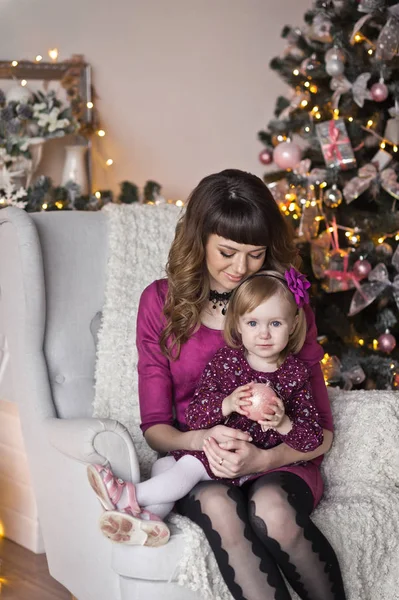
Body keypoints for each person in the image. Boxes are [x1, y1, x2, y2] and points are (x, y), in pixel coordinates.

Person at [88, 169, 346, 599]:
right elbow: (156, 427)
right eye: (227, 252)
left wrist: (262, 461)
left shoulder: (285, 304)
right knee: (220, 506)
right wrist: (204, 439)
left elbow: (321, 432)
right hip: (201, 457)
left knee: (275, 512)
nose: (241, 269)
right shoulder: (160, 303)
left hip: (281, 455)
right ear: (200, 239)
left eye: (256, 254)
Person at [88, 269, 324, 542]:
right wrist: (227, 403)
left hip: (241, 464)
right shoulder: (227, 362)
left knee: (188, 468)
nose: (264, 334)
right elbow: (196, 415)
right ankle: (150, 521)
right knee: (165, 467)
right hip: (212, 448)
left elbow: (311, 439)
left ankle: (129, 495)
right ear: (237, 324)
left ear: (294, 324)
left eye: (275, 324)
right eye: (253, 324)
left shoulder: (294, 374)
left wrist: (283, 423)